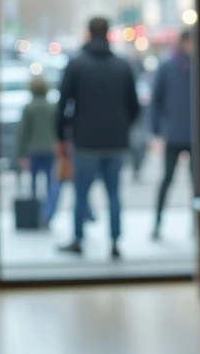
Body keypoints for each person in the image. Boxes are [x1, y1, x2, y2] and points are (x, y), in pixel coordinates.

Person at [56, 17, 141, 258]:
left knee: (81, 194)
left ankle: (78, 238)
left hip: (86, 141)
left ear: (88, 33)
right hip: (116, 141)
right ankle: (114, 242)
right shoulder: (122, 66)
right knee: (114, 195)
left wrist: (61, 136)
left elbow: (63, 104)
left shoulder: (77, 65)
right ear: (108, 34)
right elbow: (134, 106)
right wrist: (123, 128)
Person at [148, 29, 200, 240]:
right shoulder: (167, 66)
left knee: (198, 182)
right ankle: (157, 223)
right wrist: (156, 129)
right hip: (174, 133)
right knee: (167, 179)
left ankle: (198, 224)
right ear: (182, 43)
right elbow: (156, 99)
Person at [17, 75, 56, 224]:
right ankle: (45, 213)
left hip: (33, 150)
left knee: (33, 183)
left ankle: (34, 213)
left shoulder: (29, 107)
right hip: (49, 149)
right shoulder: (52, 107)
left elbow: (23, 132)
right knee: (49, 183)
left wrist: (20, 153)